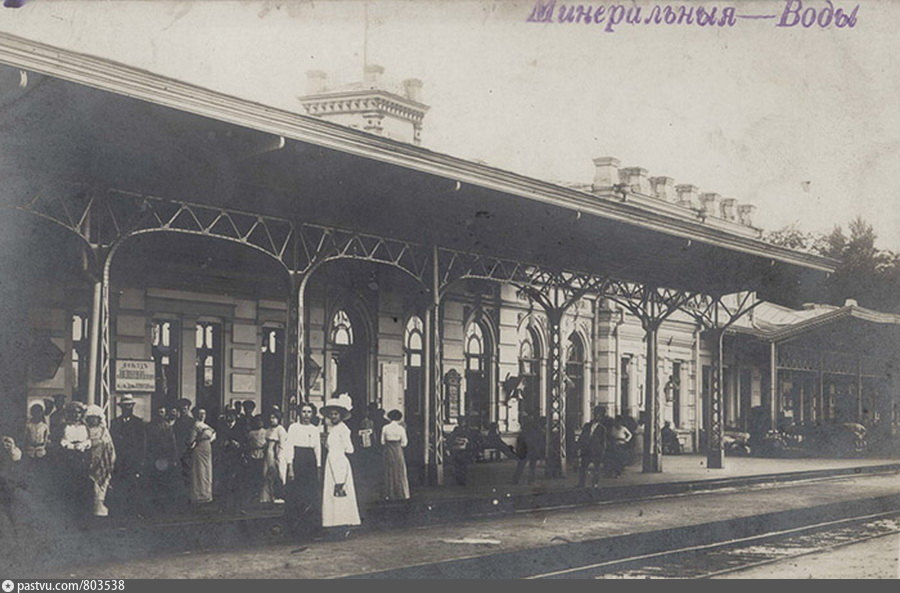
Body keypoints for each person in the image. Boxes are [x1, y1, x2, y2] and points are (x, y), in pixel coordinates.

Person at [321, 393, 361, 530]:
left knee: (339, 491)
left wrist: (338, 454)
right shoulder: (333, 429)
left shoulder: (343, 429)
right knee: (331, 493)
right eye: (331, 414)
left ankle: (342, 523)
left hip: (339, 463)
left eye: (336, 414)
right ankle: (333, 522)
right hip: (331, 461)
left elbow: (350, 449)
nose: (333, 417)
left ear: (341, 415)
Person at [284, 402, 322, 536]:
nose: (306, 415)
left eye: (309, 412)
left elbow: (317, 449)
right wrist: (290, 467)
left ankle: (310, 528)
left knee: (310, 494)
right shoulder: (293, 427)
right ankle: (295, 529)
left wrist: (318, 467)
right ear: (299, 413)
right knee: (296, 494)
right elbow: (289, 447)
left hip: (310, 461)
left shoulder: (314, 429)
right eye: (304, 412)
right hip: (298, 460)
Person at [109, 394, 147, 515]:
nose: (127, 408)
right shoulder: (114, 423)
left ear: (132, 407)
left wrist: (140, 461)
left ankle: (135, 511)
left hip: (133, 460)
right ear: (121, 407)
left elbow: (143, 444)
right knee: (120, 485)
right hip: (119, 460)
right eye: (125, 406)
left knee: (134, 486)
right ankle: (120, 512)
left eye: (129, 406)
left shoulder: (138, 423)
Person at [84, 405, 116, 517]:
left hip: (102, 463)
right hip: (88, 462)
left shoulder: (103, 431)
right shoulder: (84, 430)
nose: (93, 420)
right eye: (90, 417)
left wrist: (107, 461)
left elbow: (109, 447)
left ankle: (100, 509)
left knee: (101, 487)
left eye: (95, 417)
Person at [146, 405, 179, 510]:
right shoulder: (149, 426)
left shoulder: (168, 427)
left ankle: (164, 504)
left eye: (163, 412)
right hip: (153, 456)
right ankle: (154, 504)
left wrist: (173, 458)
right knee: (153, 480)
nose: (161, 414)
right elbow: (146, 443)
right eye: (159, 412)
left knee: (165, 480)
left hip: (165, 457)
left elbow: (172, 443)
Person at [187, 407, 216, 504]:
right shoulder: (195, 426)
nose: (202, 416)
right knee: (200, 472)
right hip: (199, 451)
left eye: (204, 413)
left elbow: (213, 436)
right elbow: (191, 441)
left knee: (207, 471)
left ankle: (207, 494)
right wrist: (196, 443)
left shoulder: (205, 425)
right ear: (196, 415)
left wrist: (209, 439)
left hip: (207, 450)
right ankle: (199, 495)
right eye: (200, 414)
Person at [381, 409, 410, 501]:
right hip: (398, 450)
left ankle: (389, 494)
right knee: (400, 471)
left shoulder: (385, 428)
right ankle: (401, 493)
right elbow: (404, 443)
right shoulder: (401, 428)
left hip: (388, 450)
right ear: (399, 418)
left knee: (388, 471)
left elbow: (382, 442)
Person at [577, 406, 607, 488]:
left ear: (601, 417)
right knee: (583, 467)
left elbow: (603, 442)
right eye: (596, 414)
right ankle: (581, 483)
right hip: (586, 450)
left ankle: (595, 484)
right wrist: (579, 447)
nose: (597, 416)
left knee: (596, 469)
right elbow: (582, 437)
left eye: (599, 415)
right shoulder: (587, 425)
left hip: (596, 451)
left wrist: (602, 452)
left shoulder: (602, 429)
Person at [261, 411, 287, 504]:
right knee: (266, 474)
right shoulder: (268, 429)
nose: (272, 420)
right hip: (267, 454)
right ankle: (268, 496)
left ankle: (279, 495)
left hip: (276, 454)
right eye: (271, 418)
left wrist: (279, 457)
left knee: (277, 474)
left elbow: (283, 445)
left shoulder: (281, 430)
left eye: (274, 418)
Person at [512, 416, 544, 485]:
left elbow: (519, 441)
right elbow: (539, 441)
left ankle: (516, 479)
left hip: (525, 449)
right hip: (531, 449)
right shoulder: (538, 430)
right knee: (532, 466)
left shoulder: (525, 430)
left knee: (521, 465)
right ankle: (530, 480)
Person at [447, 418, 479, 486]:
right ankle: (461, 480)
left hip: (460, 450)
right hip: (460, 450)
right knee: (461, 466)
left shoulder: (458, 431)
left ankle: (460, 480)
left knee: (460, 466)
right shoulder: (464, 431)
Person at [245, 414, 267, 505]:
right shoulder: (251, 433)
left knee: (261, 476)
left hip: (263, 455)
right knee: (252, 476)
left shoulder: (265, 432)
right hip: (252, 455)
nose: (259, 422)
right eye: (257, 421)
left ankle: (260, 495)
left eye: (261, 421)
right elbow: (247, 443)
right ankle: (252, 496)